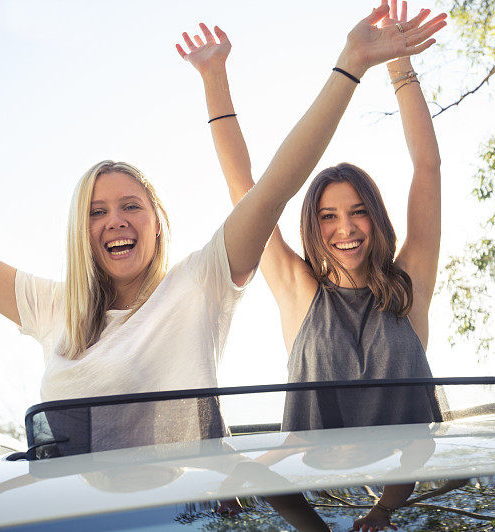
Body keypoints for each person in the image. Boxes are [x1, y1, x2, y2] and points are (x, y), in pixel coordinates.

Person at [0, 2, 444, 451]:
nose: (115, 221)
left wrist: (371, 65)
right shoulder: (55, 307)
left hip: (371, 498)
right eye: (96, 212)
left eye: (131, 206)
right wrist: (216, 79)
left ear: (159, 223)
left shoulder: (196, 287)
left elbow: (271, 189)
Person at [181, 1, 446, 529]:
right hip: (299, 492)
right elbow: (245, 188)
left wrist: (397, 62)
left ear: (376, 217)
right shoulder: (299, 290)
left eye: (357, 212)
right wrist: (215, 78)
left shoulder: (409, 284)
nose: (344, 228)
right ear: (312, 226)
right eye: (328, 216)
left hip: (408, 491)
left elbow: (428, 167)